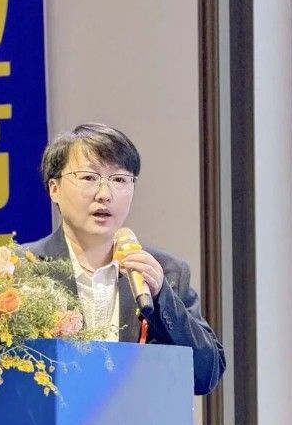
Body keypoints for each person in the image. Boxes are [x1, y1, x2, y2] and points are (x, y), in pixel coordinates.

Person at [22, 123, 225, 395]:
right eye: (89, 178)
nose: (104, 194)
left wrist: (162, 298)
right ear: (54, 188)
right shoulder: (22, 268)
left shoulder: (165, 272)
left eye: (119, 180)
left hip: (136, 421)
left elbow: (205, 374)